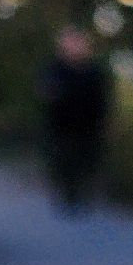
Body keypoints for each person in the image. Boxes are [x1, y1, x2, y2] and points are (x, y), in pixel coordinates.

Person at [39, 27, 111, 213]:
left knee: (86, 162)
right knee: (63, 163)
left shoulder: (94, 71)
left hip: (88, 127)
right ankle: (67, 196)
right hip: (61, 127)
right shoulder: (54, 69)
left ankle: (83, 196)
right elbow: (46, 93)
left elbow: (102, 99)